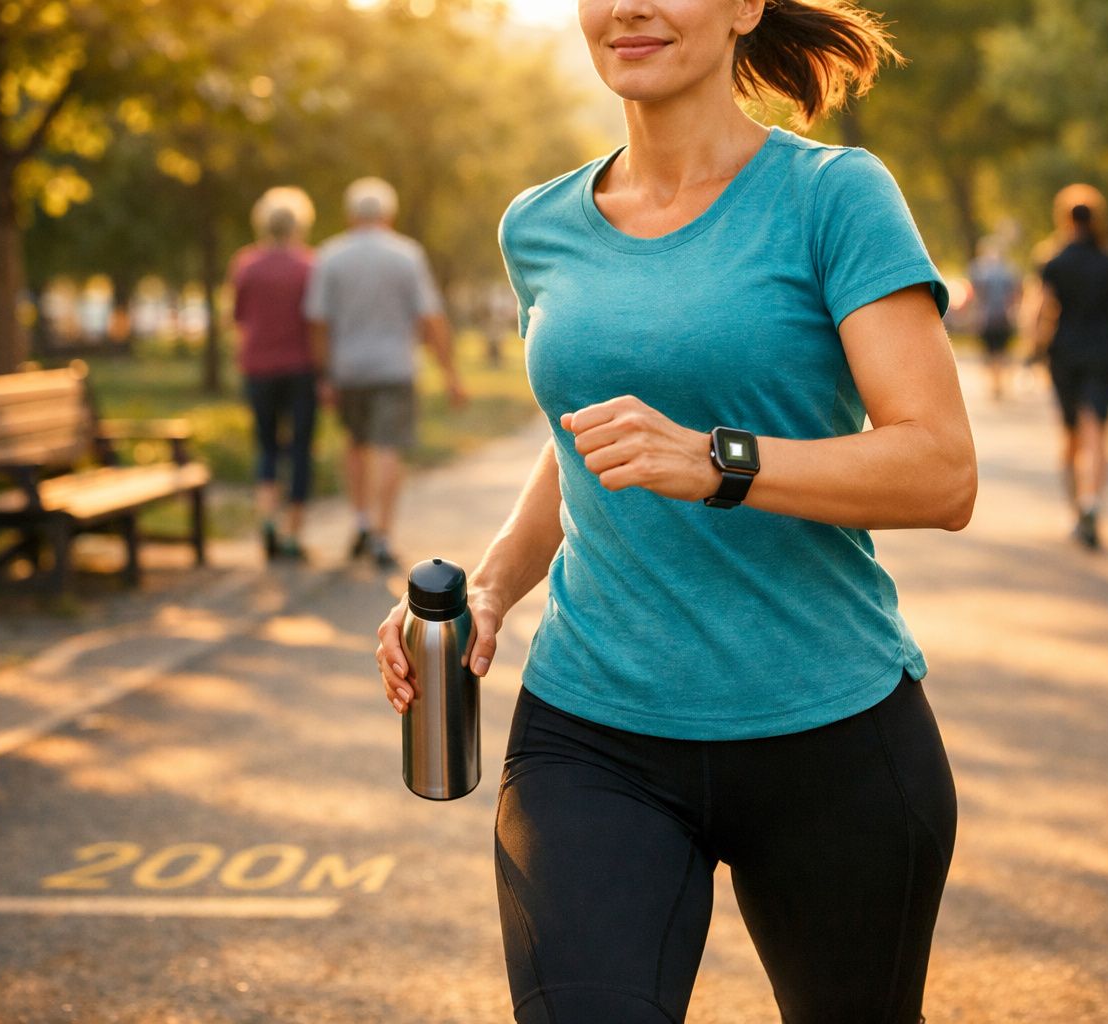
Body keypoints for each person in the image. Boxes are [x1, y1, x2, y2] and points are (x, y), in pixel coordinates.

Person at [375, 0, 977, 1016]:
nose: (630, 7)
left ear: (746, 8)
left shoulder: (833, 196)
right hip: (593, 731)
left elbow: (940, 469)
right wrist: (488, 588)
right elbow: (583, 444)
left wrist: (718, 460)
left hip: (829, 731)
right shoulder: (539, 225)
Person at [305, 176, 465, 571]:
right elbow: (431, 318)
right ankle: (382, 535)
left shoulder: (330, 255)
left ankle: (360, 521)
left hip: (349, 369)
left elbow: (317, 321)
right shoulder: (407, 255)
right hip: (395, 367)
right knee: (389, 447)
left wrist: (324, 374)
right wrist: (450, 374)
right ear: (389, 215)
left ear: (350, 215)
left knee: (356, 444)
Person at [1033, 184, 1108, 550]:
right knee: (1097, 431)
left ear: (1064, 219)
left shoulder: (1054, 261)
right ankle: (1093, 501)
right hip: (1104, 353)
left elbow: (1043, 312)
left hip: (1065, 355)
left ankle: (1076, 510)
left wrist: (1035, 350)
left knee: (1070, 436)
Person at [228, 186, 318, 561]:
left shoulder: (246, 264)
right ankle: (293, 533)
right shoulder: (309, 265)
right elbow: (317, 321)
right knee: (299, 448)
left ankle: (267, 518)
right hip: (301, 368)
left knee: (266, 445)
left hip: (258, 368)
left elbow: (236, 316)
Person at [967, 236, 1020, 400]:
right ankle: (1002, 383)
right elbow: (1015, 294)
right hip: (1004, 316)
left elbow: (974, 295)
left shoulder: (977, 270)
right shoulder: (1009, 270)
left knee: (990, 352)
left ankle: (994, 384)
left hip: (986, 317)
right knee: (1002, 351)